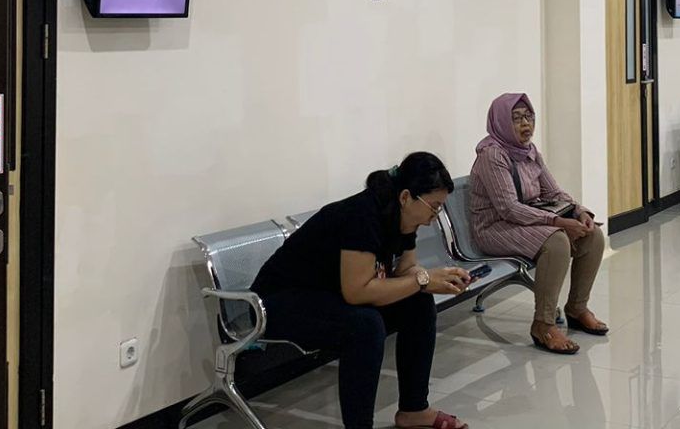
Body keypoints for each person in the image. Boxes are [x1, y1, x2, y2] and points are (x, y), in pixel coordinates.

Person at [251, 153, 473, 429]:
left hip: (325, 295)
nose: (434, 217)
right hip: (277, 303)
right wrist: (423, 280)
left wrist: (440, 278)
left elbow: (407, 269)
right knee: (365, 326)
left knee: (418, 303)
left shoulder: (404, 217)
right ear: (406, 196)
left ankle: (414, 409)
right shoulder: (361, 216)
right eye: (434, 207)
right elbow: (357, 292)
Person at [469, 92, 608, 355]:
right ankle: (543, 325)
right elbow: (509, 208)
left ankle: (577, 309)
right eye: (517, 118)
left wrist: (579, 212)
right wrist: (557, 221)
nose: (526, 124)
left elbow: (554, 191)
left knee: (593, 235)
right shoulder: (493, 155)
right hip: (494, 228)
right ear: (501, 122)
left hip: (525, 221)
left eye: (529, 116)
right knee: (556, 242)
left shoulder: (529, 151)